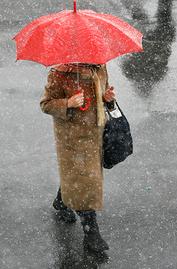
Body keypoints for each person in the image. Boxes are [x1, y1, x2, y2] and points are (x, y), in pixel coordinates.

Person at [40, 63, 116, 253]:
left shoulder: (99, 68)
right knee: (86, 179)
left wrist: (107, 99)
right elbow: (46, 104)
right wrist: (68, 103)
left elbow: (103, 93)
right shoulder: (59, 73)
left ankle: (61, 200)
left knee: (78, 176)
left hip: (95, 134)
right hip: (72, 138)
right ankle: (91, 233)